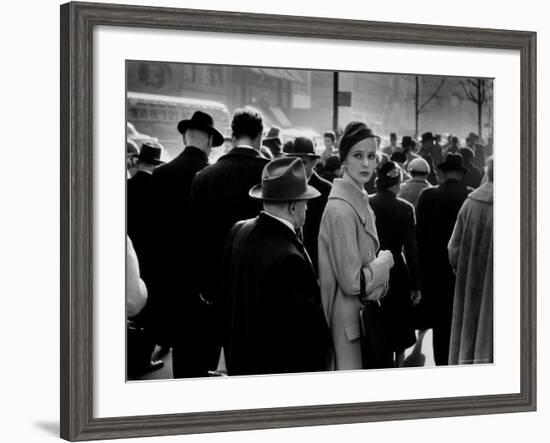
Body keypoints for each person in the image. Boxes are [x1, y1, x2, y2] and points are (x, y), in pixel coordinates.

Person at [223, 157, 330, 376]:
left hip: (239, 361)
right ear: (292, 206)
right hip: (276, 371)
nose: (308, 206)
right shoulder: (290, 258)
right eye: (305, 201)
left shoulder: (238, 230)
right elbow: (307, 334)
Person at [188, 107, 270, 376]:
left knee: (209, 365)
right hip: (259, 286)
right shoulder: (270, 176)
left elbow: (196, 237)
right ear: (260, 136)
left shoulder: (204, 177)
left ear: (232, 137)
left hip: (215, 286)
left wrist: (204, 286)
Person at [152, 110, 224, 378]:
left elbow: (153, 238)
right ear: (208, 142)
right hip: (206, 287)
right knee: (205, 360)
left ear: (184, 138)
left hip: (171, 285)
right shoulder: (213, 175)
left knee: (181, 361)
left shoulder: (160, 175)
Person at [318, 121, 395, 370]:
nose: (365, 163)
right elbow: (352, 282)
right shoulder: (342, 208)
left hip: (360, 319)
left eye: (371, 156)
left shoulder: (357, 199)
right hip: (349, 324)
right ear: (344, 160)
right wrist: (385, 263)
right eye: (357, 155)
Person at [415, 152, 473, 365]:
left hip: (434, 272)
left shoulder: (427, 196)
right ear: (461, 174)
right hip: (462, 272)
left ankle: (441, 365)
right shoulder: (471, 197)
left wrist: (420, 274)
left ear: (442, 173)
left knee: (440, 326)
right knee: (462, 323)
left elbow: (418, 236)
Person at [370, 161, 422, 367]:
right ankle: (399, 364)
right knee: (399, 322)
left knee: (379, 320)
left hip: (372, 266)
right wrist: (417, 283)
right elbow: (411, 248)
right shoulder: (405, 208)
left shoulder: (366, 203)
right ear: (397, 183)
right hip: (398, 271)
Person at [448, 156, 494, 365]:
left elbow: (453, 248)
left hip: (471, 284)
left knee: (469, 335)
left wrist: (464, 269)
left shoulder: (470, 202)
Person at [283, 137, 332, 273]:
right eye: (294, 162)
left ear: (314, 162)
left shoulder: (327, 190)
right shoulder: (284, 186)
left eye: (303, 162)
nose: (297, 167)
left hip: (316, 266)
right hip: (288, 262)